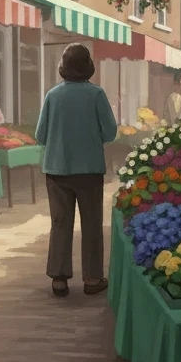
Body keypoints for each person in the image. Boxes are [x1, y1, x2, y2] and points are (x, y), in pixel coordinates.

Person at [36, 43, 117, 298]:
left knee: (60, 223)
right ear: (88, 66)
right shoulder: (96, 95)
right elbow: (110, 132)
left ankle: (59, 278)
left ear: (63, 66)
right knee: (92, 224)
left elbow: (40, 135)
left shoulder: (52, 95)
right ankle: (92, 278)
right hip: (89, 170)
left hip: (57, 170)